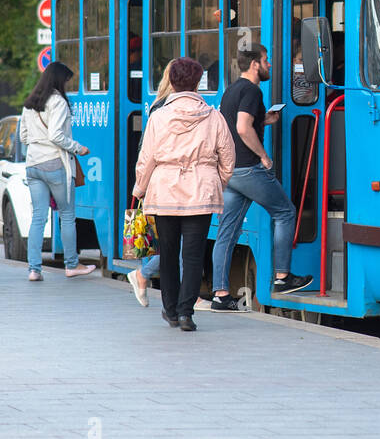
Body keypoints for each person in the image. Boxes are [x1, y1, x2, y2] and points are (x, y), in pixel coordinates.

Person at [132, 57, 235, 331]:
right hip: (201, 192)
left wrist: (139, 189)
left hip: (165, 192)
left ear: (172, 82)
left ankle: (171, 311)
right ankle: (187, 313)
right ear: (198, 82)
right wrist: (216, 183)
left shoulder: (158, 117)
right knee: (193, 255)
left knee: (167, 254)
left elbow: (147, 159)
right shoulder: (214, 116)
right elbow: (228, 158)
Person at [212, 45, 311, 311]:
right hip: (248, 169)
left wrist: (263, 121)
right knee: (285, 213)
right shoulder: (252, 90)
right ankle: (282, 277)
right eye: (266, 60)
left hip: (231, 171)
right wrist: (264, 156)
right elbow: (243, 128)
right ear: (255, 64)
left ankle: (220, 294)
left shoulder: (232, 90)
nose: (269, 65)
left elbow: (238, 124)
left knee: (227, 232)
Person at [18, 61, 94, 282]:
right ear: (59, 80)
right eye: (67, 81)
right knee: (68, 215)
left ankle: (34, 269)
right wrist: (79, 148)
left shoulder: (30, 103)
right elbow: (56, 136)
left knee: (38, 217)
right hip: (54, 163)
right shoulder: (58, 102)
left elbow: (23, 137)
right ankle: (72, 265)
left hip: (33, 164)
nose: (68, 86)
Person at [126, 61, 179, 307]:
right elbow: (148, 151)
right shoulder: (163, 107)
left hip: (164, 184)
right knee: (172, 246)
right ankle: (142, 274)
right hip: (162, 184)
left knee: (174, 245)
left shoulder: (162, 104)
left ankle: (178, 297)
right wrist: (142, 186)